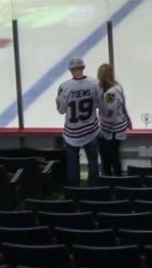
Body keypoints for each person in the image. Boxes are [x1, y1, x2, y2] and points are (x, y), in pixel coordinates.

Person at [55, 56, 103, 188]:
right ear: (83, 67)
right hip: (91, 132)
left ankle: (74, 192)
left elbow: (61, 110)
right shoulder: (95, 83)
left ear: (70, 70)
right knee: (93, 162)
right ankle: (93, 190)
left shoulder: (64, 87)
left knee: (72, 164)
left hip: (71, 134)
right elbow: (101, 104)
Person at [96, 63, 131, 178]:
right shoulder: (114, 88)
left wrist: (103, 131)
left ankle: (114, 180)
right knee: (112, 157)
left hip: (112, 132)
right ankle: (114, 179)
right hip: (113, 130)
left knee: (110, 158)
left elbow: (109, 114)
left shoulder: (111, 93)